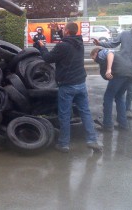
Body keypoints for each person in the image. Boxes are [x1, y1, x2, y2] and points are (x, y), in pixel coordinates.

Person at [38, 22, 102, 153]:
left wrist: (42, 47)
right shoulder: (79, 43)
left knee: (65, 115)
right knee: (85, 113)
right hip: (81, 84)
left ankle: (63, 144)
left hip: (67, 85)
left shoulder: (62, 46)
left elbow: (47, 58)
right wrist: (60, 32)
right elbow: (68, 42)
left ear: (67, 31)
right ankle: (92, 140)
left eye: (64, 30)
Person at [94, 17, 132, 119]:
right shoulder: (124, 34)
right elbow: (113, 44)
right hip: (121, 67)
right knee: (119, 92)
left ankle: (127, 110)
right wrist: (100, 43)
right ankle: (121, 114)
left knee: (131, 90)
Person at [90, 47, 132, 131]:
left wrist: (108, 69)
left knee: (108, 97)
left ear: (95, 53)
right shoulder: (117, 54)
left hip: (120, 74)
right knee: (119, 97)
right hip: (130, 75)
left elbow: (109, 53)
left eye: (93, 57)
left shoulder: (100, 52)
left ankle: (107, 125)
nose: (93, 60)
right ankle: (123, 124)